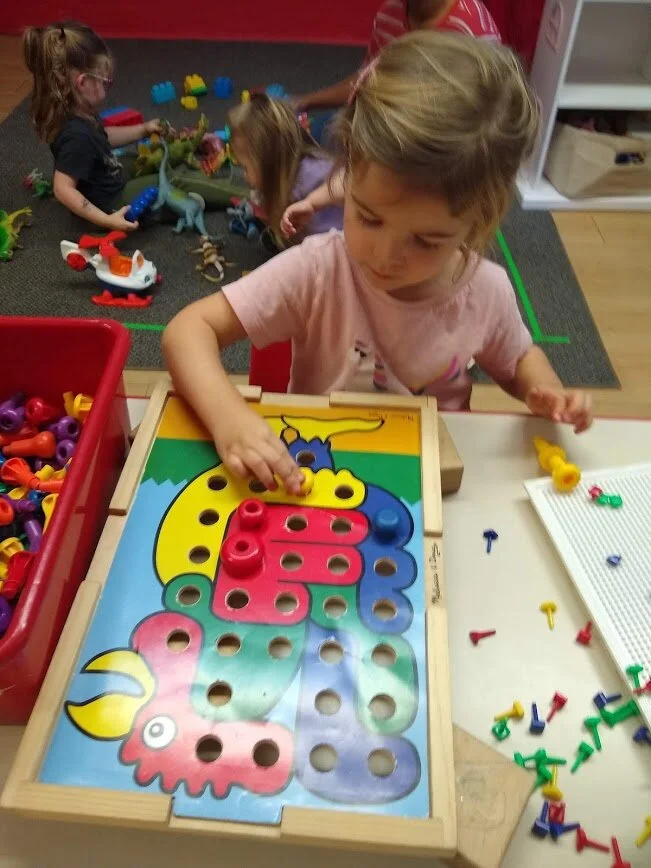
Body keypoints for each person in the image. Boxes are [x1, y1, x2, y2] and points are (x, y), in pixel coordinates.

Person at [163, 32, 593, 497]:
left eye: (426, 241)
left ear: (478, 222)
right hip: (317, 471)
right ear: (345, 180)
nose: (384, 256)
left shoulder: (485, 290)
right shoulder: (318, 268)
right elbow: (186, 331)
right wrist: (229, 418)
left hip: (433, 478)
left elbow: (518, 361)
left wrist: (543, 390)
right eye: (368, 218)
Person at [22, 20, 163, 232]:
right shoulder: (76, 136)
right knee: (167, 180)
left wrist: (142, 130)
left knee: (145, 160)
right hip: (111, 203)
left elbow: (101, 137)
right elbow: (62, 188)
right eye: (105, 81)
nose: (107, 86)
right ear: (83, 82)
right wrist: (107, 220)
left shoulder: (79, 112)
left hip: (107, 178)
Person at [293, 0, 500, 112]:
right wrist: (306, 101)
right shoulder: (390, 12)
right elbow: (368, 80)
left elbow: (484, 124)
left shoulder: (473, 33)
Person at [227, 95, 343, 245]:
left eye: (245, 167)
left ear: (267, 162)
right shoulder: (281, 181)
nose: (244, 176)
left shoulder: (314, 176)